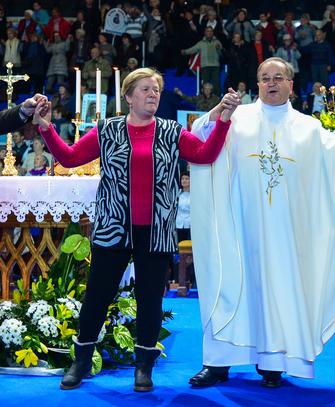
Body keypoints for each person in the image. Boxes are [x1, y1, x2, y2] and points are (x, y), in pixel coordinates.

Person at [188, 56, 335, 388]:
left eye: (278, 77)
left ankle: (272, 363)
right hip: (240, 225)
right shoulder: (238, 118)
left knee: (278, 289)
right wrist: (217, 111)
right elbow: (200, 137)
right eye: (264, 77)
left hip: (284, 233)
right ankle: (218, 363)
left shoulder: (307, 127)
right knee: (231, 286)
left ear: (291, 85)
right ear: (257, 83)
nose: (270, 83)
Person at [32, 67, 233, 392]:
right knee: (97, 297)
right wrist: (46, 129)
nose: (152, 94)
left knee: (150, 299)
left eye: (155, 89)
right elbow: (68, 159)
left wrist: (223, 120)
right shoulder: (107, 129)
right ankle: (80, 362)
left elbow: (206, 154)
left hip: (156, 231)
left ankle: (144, 367)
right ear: (127, 96)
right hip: (113, 228)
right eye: (144, 89)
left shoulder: (172, 131)